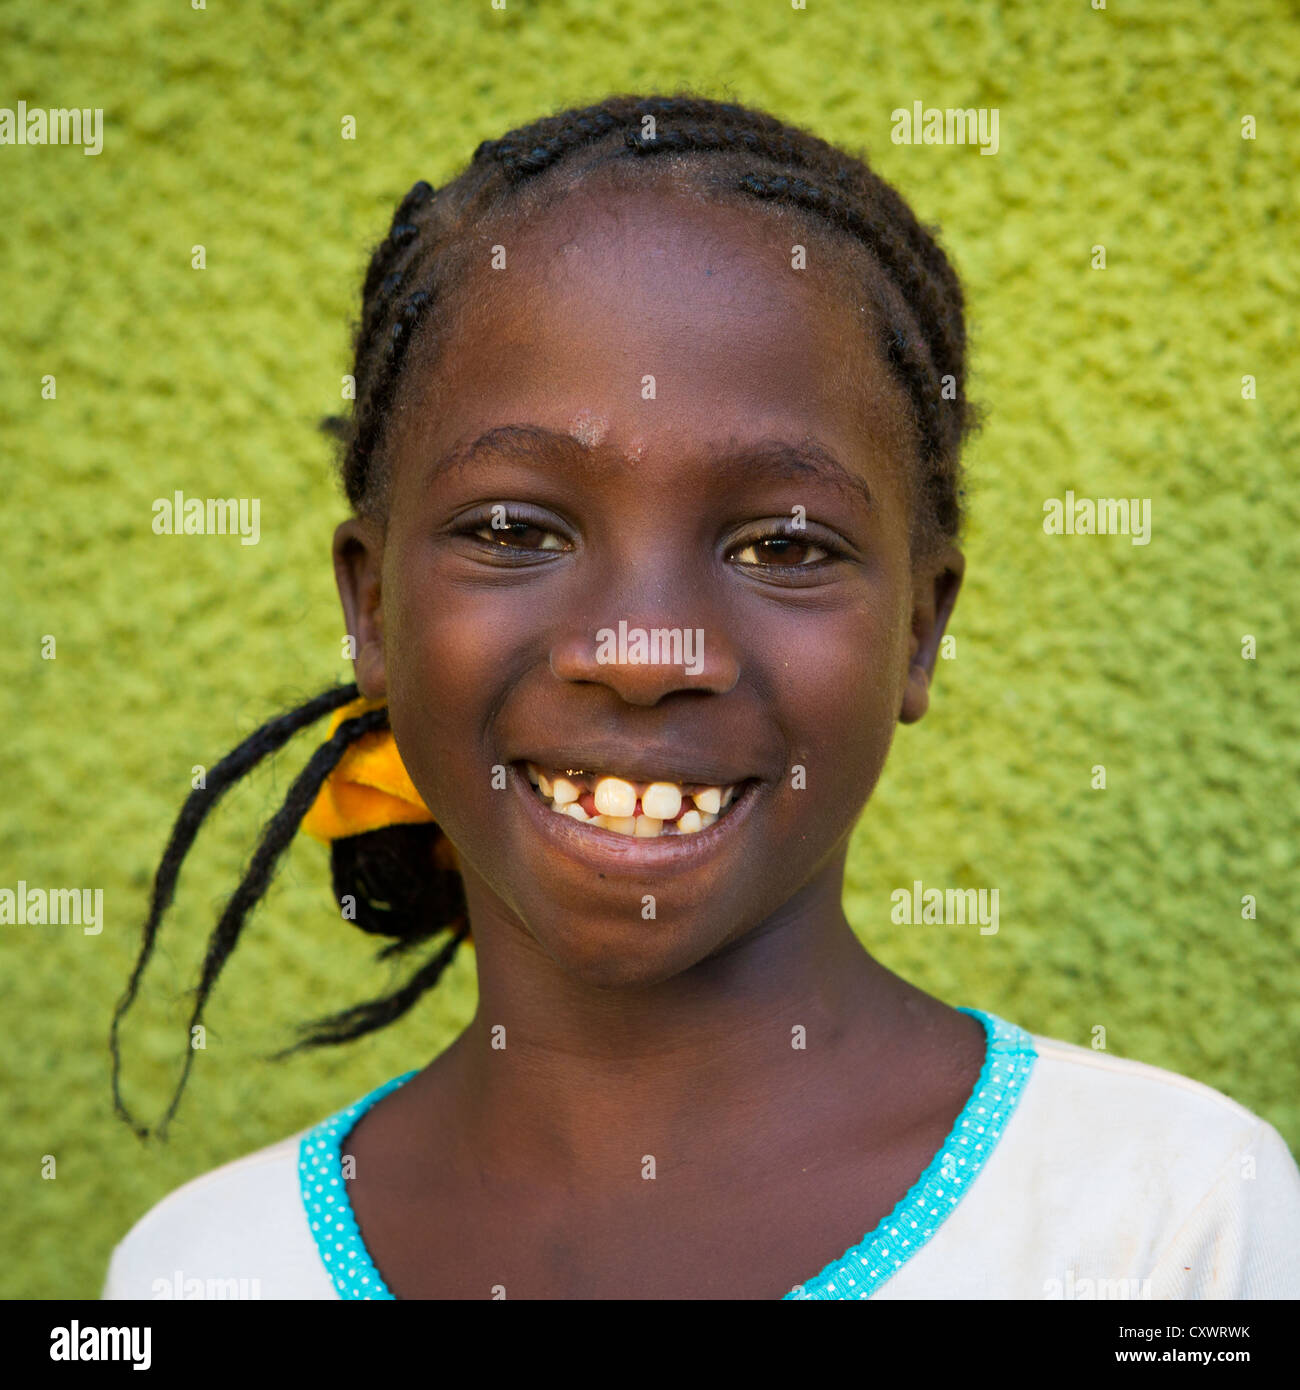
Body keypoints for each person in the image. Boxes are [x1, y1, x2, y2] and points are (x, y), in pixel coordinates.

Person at [102, 92, 1300, 1300]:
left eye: (782, 546)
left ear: (920, 631)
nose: (642, 648)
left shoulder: (1166, 1222)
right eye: (516, 527)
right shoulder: (200, 1273)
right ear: (371, 608)